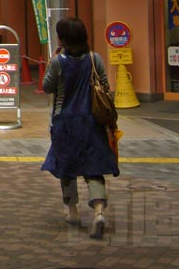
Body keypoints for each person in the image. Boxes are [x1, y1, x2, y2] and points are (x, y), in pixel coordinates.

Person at [41, 17, 119, 239]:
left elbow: (47, 87)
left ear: (64, 39)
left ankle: (73, 211)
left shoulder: (59, 62)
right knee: (93, 168)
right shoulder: (95, 59)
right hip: (93, 122)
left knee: (66, 167)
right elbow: (104, 86)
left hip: (65, 122)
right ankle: (98, 212)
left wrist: (52, 60)